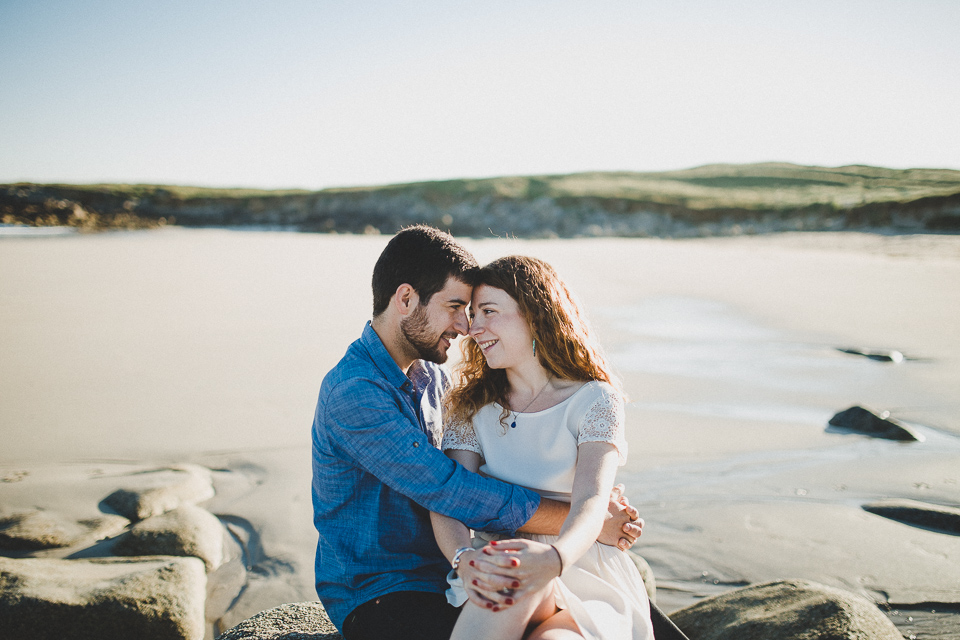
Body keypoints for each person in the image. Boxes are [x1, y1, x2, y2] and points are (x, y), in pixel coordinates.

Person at [311, 226, 644, 640]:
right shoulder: (355, 392)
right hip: (385, 589)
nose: (465, 326)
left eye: (478, 311)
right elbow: (448, 488)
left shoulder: (432, 378)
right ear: (406, 299)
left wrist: (590, 509)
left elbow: (476, 478)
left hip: (446, 572)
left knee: (523, 588)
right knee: (510, 579)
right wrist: (580, 518)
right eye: (457, 307)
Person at [431, 255, 656, 640]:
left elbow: (592, 499)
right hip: (500, 567)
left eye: (488, 311)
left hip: (582, 568)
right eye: (472, 314)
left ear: (535, 315)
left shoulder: (594, 399)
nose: (473, 327)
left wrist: (554, 559)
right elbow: (448, 498)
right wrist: (463, 558)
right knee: (511, 577)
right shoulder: (471, 407)